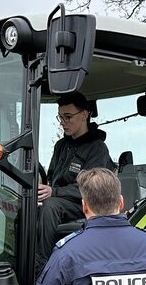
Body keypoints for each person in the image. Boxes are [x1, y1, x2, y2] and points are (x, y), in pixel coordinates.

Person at [35, 92, 115, 274]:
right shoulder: (61, 146)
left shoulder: (97, 148)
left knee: (50, 206)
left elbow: (93, 188)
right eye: (60, 117)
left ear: (84, 115)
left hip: (86, 204)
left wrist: (54, 192)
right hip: (59, 201)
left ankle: (44, 268)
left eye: (68, 116)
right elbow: (51, 178)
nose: (62, 122)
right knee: (25, 208)